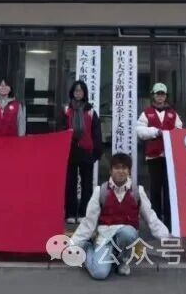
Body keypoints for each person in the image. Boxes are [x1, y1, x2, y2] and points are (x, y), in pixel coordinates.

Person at [70, 152, 170, 279]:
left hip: (126, 239)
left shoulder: (137, 192)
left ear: (129, 171)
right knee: (99, 274)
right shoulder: (100, 191)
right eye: (117, 168)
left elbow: (151, 218)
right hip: (105, 238)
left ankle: (122, 261)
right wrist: (73, 244)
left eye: (124, 168)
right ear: (110, 171)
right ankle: (87, 249)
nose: (120, 171)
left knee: (128, 232)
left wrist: (167, 238)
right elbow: (88, 222)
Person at [135, 82, 181, 228]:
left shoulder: (173, 113)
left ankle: (169, 222)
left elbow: (179, 130)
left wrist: (170, 133)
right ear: (153, 96)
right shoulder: (146, 113)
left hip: (169, 157)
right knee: (155, 189)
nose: (160, 97)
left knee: (169, 189)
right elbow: (140, 131)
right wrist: (156, 132)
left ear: (166, 96)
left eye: (162, 94)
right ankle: (156, 222)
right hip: (153, 156)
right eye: (158, 94)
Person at [62, 80, 103, 223]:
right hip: (70, 150)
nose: (78, 93)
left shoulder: (90, 111)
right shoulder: (66, 110)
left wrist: (96, 152)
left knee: (87, 184)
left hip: (87, 151)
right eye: (76, 91)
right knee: (70, 183)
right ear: (72, 93)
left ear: (84, 93)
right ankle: (70, 213)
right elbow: (61, 129)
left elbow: (96, 132)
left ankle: (84, 213)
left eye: (80, 91)